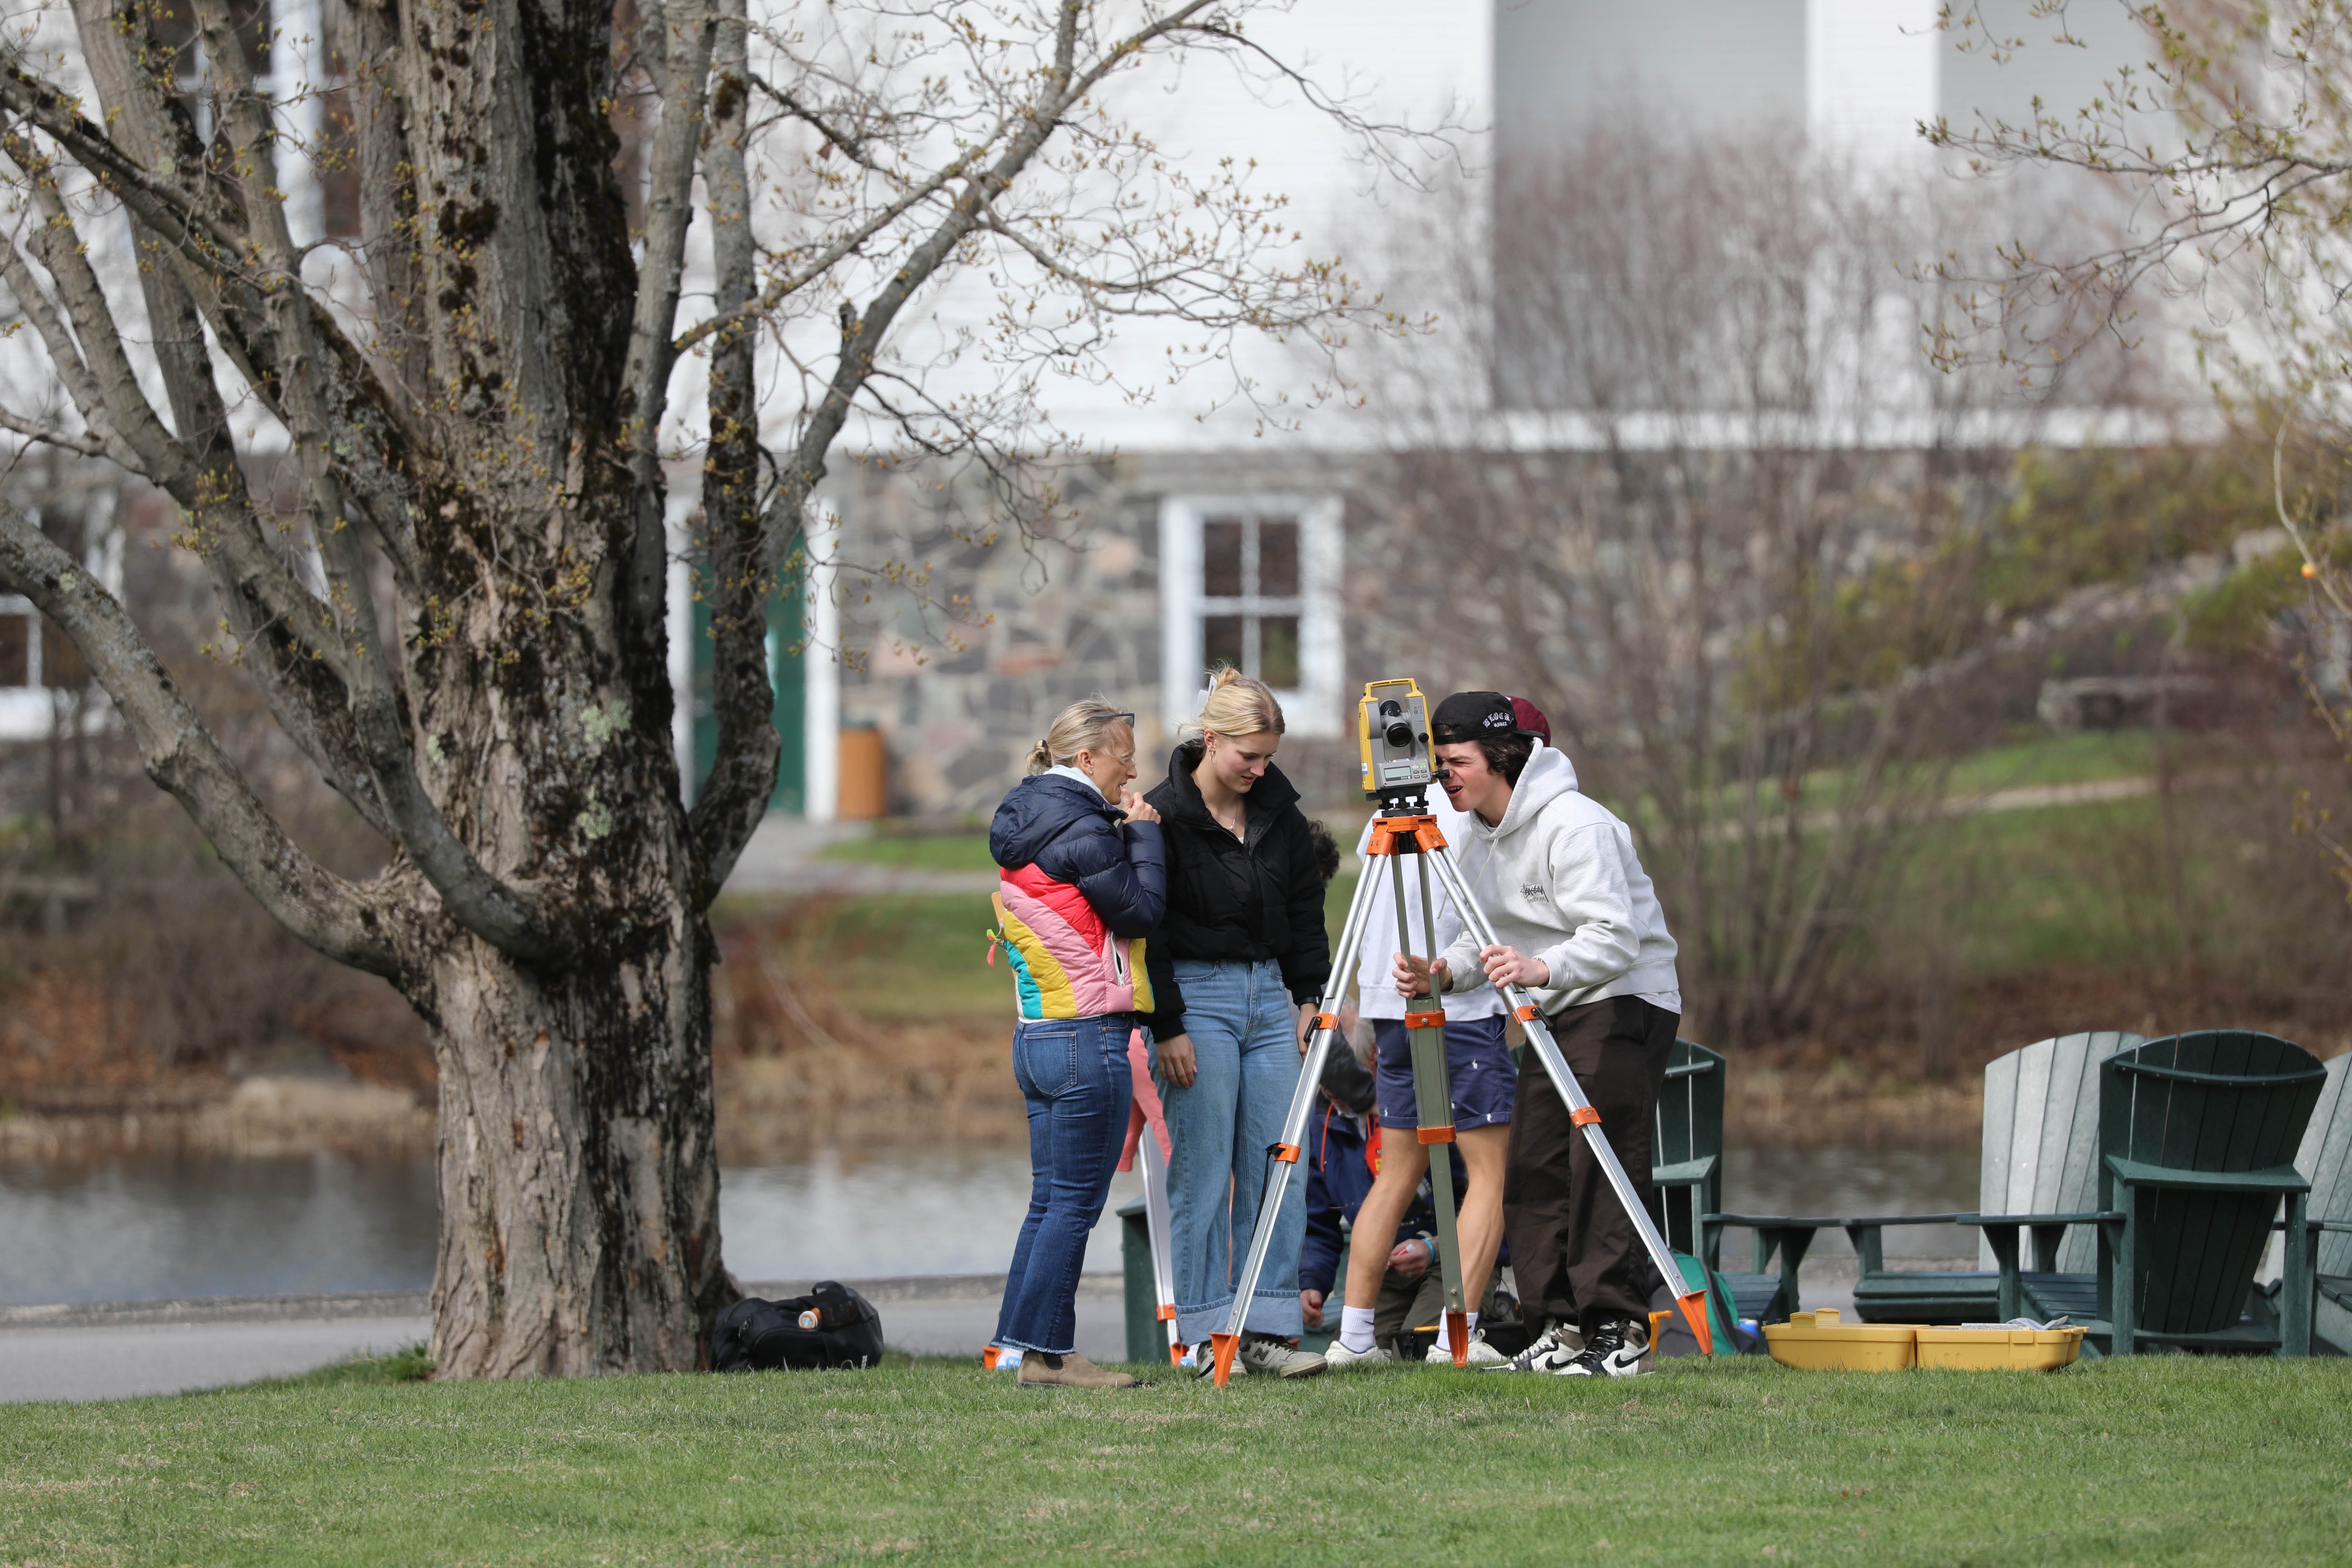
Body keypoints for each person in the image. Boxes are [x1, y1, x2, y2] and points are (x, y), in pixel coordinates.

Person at [1395, 691, 1682, 1379]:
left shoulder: (1578, 825)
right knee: (1534, 1165)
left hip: (1623, 1000)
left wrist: (1540, 966)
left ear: (1502, 759)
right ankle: (1557, 1323)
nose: (1444, 776)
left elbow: (1616, 935)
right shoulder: (1474, 834)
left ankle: (1617, 1326)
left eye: (1457, 761)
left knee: (1598, 1163)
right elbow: (1477, 937)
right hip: (1555, 1008)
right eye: (1439, 762)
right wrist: (1445, 971)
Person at [1140, 667, 1331, 1378]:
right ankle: (1200, 1335)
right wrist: (1166, 1025)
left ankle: (1269, 1330)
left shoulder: (1279, 814)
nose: (1259, 768)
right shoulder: (1161, 815)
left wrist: (1311, 994)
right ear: (1210, 737)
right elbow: (1147, 931)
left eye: (1268, 756)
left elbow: (1307, 910)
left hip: (1269, 999)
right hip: (1197, 999)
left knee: (1280, 1164)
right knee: (1204, 1169)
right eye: (1247, 754)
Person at [1322, 727, 1520, 1368]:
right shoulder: (1467, 813)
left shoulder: (1386, 817)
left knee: (1398, 1170)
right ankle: (1455, 1338)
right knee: (1490, 1173)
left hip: (1386, 1007)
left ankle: (1354, 1338)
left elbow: (1368, 915)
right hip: (1453, 1005)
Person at [986, 699, 1166, 1389]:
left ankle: (1029, 1348)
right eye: (1125, 751)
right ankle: (1051, 1354)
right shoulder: (1087, 830)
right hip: (1087, 1037)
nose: (1135, 766)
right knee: (1073, 1202)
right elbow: (1142, 911)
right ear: (1087, 758)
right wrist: (1146, 838)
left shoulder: (1028, 815)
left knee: (1049, 1199)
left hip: (1037, 1037)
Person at [1299, 1024, 1506, 1362]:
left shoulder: (1437, 1098)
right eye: (1325, 1079)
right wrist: (1313, 1282)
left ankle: (1480, 1325)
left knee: (1415, 1349)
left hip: (1448, 1258)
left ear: (1375, 1059)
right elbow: (1318, 1216)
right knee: (1349, 1361)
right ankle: (1358, 1343)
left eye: (1344, 1074)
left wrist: (1433, 1248)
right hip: (1386, 1270)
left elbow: (1488, 1205)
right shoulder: (1321, 1121)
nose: (1332, 1091)